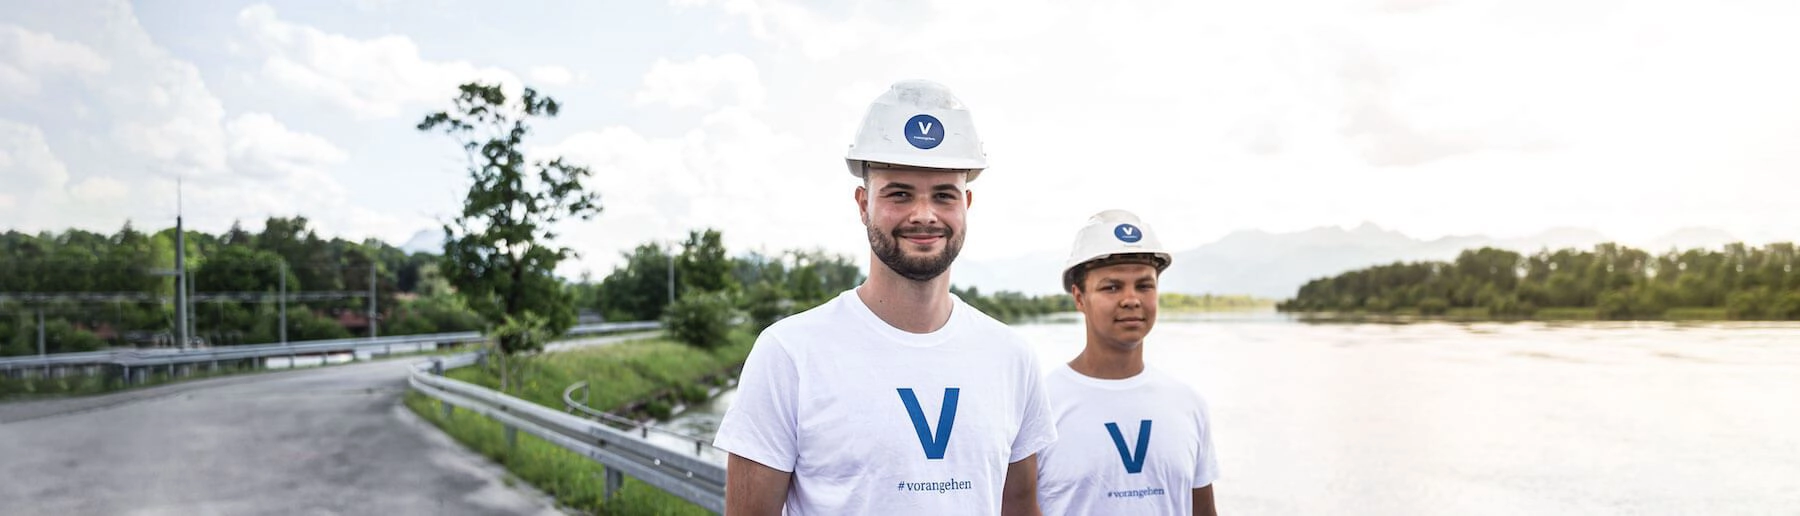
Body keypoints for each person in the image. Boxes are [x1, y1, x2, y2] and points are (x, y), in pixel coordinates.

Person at [714, 80, 1057, 515]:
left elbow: (1020, 509)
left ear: (966, 203)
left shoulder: (1012, 356)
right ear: (863, 204)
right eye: (899, 193)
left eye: (944, 195)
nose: (924, 214)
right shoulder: (789, 353)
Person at [1034, 210, 1220, 516]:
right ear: (1079, 298)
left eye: (1144, 286)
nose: (1131, 299)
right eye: (1112, 287)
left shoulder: (1188, 404)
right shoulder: (1040, 405)